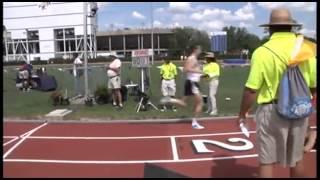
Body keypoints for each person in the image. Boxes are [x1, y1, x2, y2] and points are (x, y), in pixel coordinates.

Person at [237, 8, 316, 178]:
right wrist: (304, 103)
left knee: (267, 160)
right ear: (292, 27)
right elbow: (313, 85)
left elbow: (251, 89)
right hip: (299, 109)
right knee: (297, 159)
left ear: (270, 28)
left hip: (271, 110)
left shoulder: (262, 52)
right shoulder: (307, 49)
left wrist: (242, 113)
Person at [161, 45, 205, 129]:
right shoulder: (191, 58)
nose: (200, 51)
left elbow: (191, 70)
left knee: (184, 103)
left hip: (191, 82)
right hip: (192, 83)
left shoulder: (194, 59)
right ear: (195, 50)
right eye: (199, 49)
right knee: (200, 102)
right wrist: (199, 71)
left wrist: (200, 74)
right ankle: (194, 123)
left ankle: (170, 99)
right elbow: (186, 69)